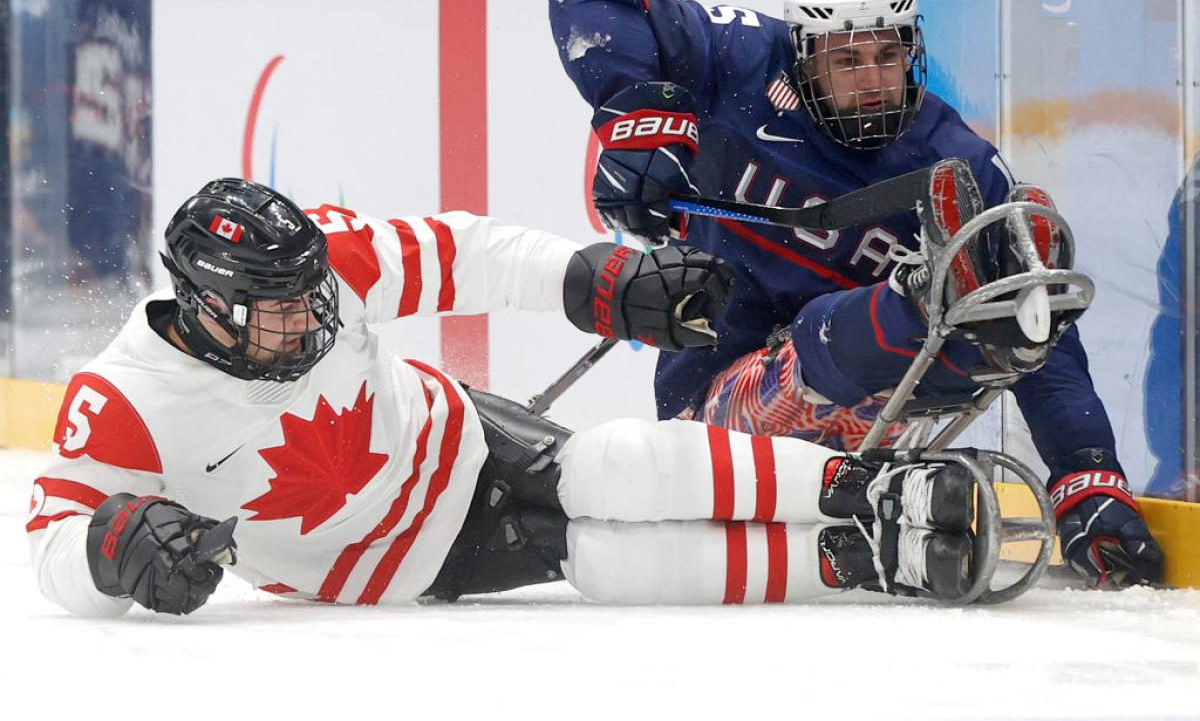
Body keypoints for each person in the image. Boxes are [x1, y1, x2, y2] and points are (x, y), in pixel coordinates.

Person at [27, 178, 988, 617]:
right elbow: (52, 542)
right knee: (606, 559)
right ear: (207, 307)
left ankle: (860, 489)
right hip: (379, 566)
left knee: (612, 465)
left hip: (457, 437)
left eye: (312, 293)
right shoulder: (123, 399)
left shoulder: (319, 267)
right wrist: (114, 552)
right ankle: (848, 561)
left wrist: (594, 277)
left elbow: (461, 253)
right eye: (279, 311)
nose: (311, 319)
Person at [550, 0, 1164, 588]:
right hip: (710, 427)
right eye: (847, 59)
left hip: (871, 421)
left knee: (1005, 298)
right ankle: (924, 303)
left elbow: (1043, 339)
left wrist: (1086, 475)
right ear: (804, 55)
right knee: (852, 323)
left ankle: (936, 315)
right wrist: (638, 114)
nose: (873, 78)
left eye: (889, 55)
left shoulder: (952, 159)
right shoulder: (741, 59)